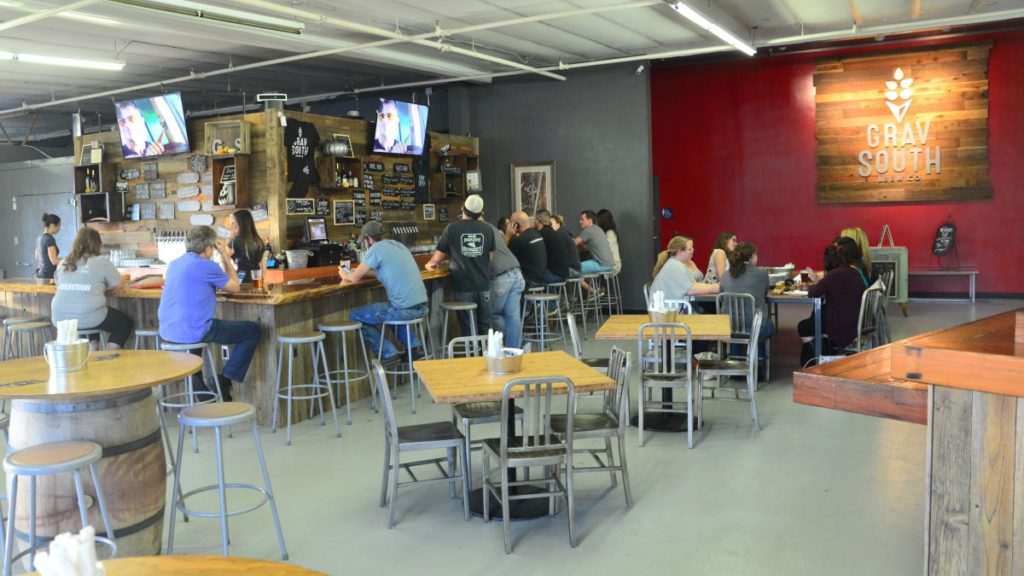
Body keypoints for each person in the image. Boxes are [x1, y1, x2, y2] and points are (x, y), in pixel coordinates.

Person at [159, 226, 258, 402]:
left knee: (192, 333)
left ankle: (200, 389)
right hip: (193, 330)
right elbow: (235, 286)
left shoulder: (174, 264)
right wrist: (226, 257)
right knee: (252, 331)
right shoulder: (206, 265)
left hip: (167, 331)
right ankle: (224, 380)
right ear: (207, 249)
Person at [342, 221, 428, 365]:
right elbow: (380, 272)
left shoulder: (375, 250)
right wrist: (358, 273)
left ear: (369, 239)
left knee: (355, 315)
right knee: (391, 311)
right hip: (422, 306)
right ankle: (415, 348)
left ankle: (388, 353)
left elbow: (354, 278)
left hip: (403, 310)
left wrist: (344, 274)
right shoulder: (399, 246)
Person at [51, 227, 134, 350]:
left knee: (89, 313)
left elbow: (60, 285)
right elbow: (119, 285)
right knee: (124, 324)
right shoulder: (101, 261)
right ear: (97, 244)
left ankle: (92, 348)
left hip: (60, 318)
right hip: (87, 315)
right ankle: (110, 354)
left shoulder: (64, 262)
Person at [425, 194, 495, 337]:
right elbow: (491, 257)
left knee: (468, 329)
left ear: (462, 208)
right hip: (483, 285)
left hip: (463, 287)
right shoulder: (487, 229)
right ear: (481, 213)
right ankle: (485, 357)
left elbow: (436, 258)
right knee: (485, 327)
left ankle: (471, 358)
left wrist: (430, 264)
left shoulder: (452, 228)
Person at [797, 243, 867, 367]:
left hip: (842, 324)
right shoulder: (854, 272)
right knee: (813, 320)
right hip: (856, 320)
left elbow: (813, 293)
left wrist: (812, 284)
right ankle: (824, 354)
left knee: (803, 326)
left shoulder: (834, 275)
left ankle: (820, 363)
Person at [720, 242, 774, 341]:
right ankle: (759, 355)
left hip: (727, 326)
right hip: (755, 327)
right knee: (769, 325)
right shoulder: (762, 273)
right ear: (752, 256)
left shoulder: (725, 275)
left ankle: (734, 354)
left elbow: (721, 299)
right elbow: (764, 293)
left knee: (735, 325)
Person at [488, 221, 526, 348]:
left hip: (501, 276)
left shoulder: (476, 232)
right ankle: (514, 352)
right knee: (512, 316)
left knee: (493, 314)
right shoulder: (492, 228)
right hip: (517, 272)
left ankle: (499, 351)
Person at [650, 235, 720, 301]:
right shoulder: (675, 266)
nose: (693, 250)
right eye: (689, 249)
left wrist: (716, 286)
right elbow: (691, 290)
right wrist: (716, 288)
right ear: (680, 252)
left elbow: (694, 284)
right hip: (667, 311)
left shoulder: (677, 264)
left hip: (671, 308)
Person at [226, 209, 271, 284]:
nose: (231, 226)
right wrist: (263, 284)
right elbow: (263, 268)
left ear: (238, 224)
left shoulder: (235, 241)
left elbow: (224, 257)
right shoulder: (259, 241)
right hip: (256, 279)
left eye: (233, 223)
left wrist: (230, 236)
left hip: (240, 279)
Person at [505, 211, 547, 289]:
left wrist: (507, 236)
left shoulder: (520, 240)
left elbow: (505, 255)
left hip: (528, 280)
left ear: (516, 225)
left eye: (511, 223)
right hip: (540, 277)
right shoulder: (536, 234)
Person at [535, 209, 570, 283]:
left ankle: (542, 293)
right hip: (563, 274)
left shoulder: (542, 235)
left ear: (538, 221)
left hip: (556, 276)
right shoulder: (551, 232)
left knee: (527, 274)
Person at [574, 210, 614, 274]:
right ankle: (587, 284)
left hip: (602, 264)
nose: (580, 221)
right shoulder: (597, 228)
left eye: (582, 219)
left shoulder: (588, 230)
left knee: (573, 268)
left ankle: (587, 284)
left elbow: (573, 244)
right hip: (609, 263)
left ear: (590, 220)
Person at [35, 213, 61, 281]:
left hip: (39, 274)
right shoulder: (49, 239)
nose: (59, 229)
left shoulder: (39, 238)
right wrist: (68, 261)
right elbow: (54, 261)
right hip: (48, 276)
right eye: (58, 226)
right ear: (52, 225)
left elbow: (37, 257)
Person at [596, 209, 622, 274]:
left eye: (598, 220)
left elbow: (605, 248)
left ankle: (588, 284)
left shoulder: (610, 233)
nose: (597, 222)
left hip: (613, 264)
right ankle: (589, 283)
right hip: (612, 262)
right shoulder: (609, 232)